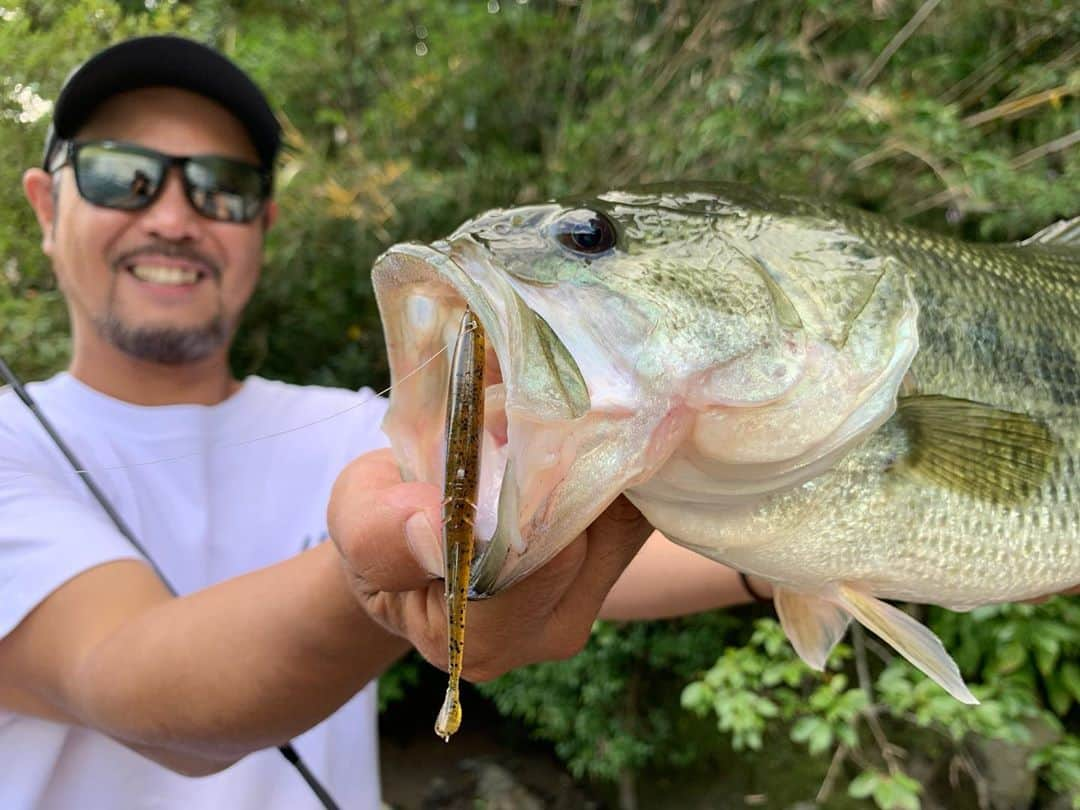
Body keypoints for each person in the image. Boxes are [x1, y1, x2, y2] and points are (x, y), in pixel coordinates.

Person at [0, 35, 773, 810]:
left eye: (222, 186)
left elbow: (612, 536)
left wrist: (794, 549)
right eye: (119, 176)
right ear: (45, 204)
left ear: (262, 223)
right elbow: (125, 679)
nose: (173, 216)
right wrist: (373, 580)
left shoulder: (357, 427)